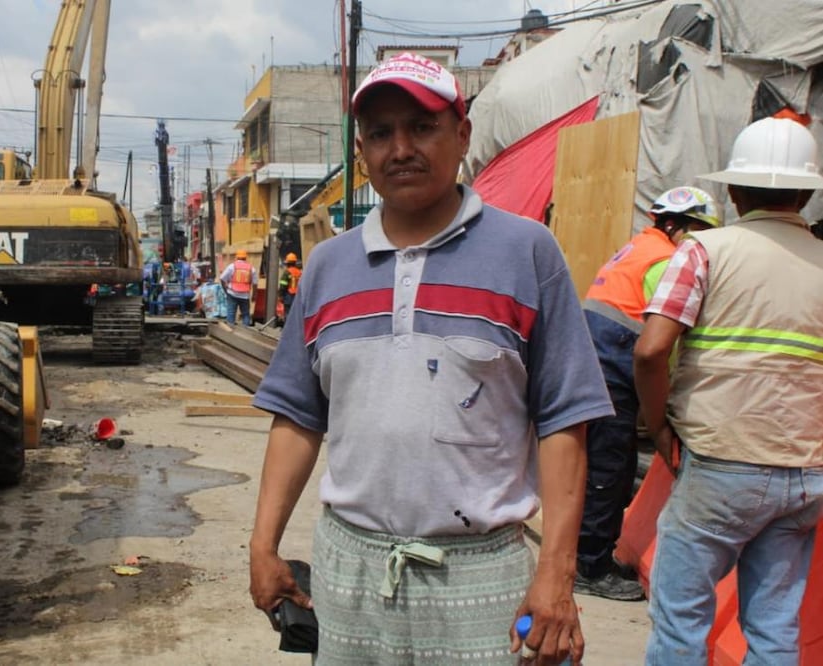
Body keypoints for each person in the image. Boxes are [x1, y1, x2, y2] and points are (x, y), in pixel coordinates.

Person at [248, 52, 613, 665]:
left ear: (462, 134)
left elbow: (564, 421)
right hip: (350, 572)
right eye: (381, 133)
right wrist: (262, 543)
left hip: (481, 574)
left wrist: (557, 573)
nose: (401, 149)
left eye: (422, 127)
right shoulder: (327, 267)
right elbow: (299, 417)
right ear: (361, 150)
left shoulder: (526, 252)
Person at [634, 116, 823, 665]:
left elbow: (649, 351)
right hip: (807, 471)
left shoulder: (704, 251)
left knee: (680, 622)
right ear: (806, 192)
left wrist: (660, 426)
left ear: (734, 191)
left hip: (722, 461)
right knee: (772, 627)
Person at [575, 186, 721, 602]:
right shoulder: (666, 261)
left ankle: (590, 554)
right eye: (697, 230)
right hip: (610, 371)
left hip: (594, 364)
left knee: (601, 469)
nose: (700, 242)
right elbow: (665, 343)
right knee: (609, 472)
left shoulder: (640, 246)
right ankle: (590, 566)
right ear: (676, 225)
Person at [219, 248, 256, 326]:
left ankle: (230, 331)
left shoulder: (232, 266)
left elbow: (222, 278)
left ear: (236, 257)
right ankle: (246, 331)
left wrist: (225, 290)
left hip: (232, 293)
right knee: (245, 314)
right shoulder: (251, 268)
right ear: (246, 258)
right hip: (245, 295)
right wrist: (254, 295)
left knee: (231, 313)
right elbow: (255, 283)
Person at [278, 252, 302, 323]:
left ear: (287, 263)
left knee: (288, 313)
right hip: (298, 296)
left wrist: (280, 296)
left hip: (289, 295)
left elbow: (283, 285)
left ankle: (288, 331)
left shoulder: (287, 272)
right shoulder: (299, 272)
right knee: (296, 315)